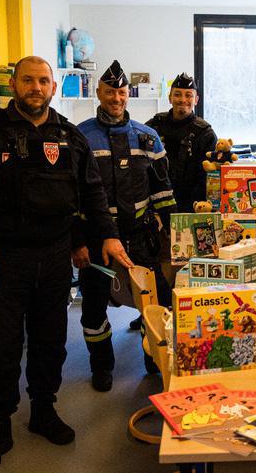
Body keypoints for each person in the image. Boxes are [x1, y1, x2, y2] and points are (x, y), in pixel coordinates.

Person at [0, 56, 133, 473]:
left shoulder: (68, 136)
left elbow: (92, 195)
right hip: (1, 260)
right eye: (28, 80)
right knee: (3, 346)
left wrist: (106, 236)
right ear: (14, 84)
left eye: (43, 81)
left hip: (53, 258)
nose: (36, 87)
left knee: (50, 342)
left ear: (53, 87)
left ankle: (42, 411)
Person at [72, 60, 177, 392]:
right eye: (109, 92)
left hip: (141, 237)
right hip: (97, 238)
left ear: (126, 94)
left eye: (120, 92)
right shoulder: (80, 136)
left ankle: (154, 359)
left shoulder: (147, 137)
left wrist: (173, 236)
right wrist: (78, 242)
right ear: (99, 93)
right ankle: (101, 366)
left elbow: (163, 190)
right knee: (93, 307)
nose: (115, 98)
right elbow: (71, 196)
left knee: (154, 303)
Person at [145, 73, 217, 212]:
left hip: (190, 207)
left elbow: (207, 179)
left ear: (196, 100)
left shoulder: (205, 134)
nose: (183, 99)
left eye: (188, 95)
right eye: (177, 94)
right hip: (154, 206)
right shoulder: (153, 126)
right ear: (170, 98)